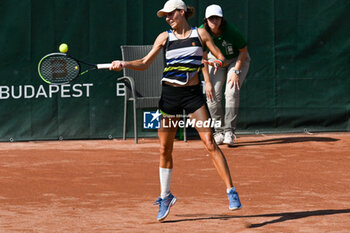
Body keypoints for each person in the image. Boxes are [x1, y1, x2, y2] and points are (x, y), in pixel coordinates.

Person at [110, 0, 242, 222]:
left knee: (209, 142)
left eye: (171, 14)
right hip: (169, 97)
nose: (168, 18)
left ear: (182, 12)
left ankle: (231, 191)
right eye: (165, 16)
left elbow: (220, 58)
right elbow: (144, 63)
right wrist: (124, 64)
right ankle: (165, 196)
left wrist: (215, 63)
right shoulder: (164, 38)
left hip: (192, 98)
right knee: (164, 148)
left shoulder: (200, 34)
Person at [200, 4, 251, 146]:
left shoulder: (232, 31)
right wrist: (207, 82)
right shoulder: (202, 32)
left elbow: (243, 50)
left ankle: (229, 131)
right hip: (215, 61)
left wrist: (236, 71)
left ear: (222, 19)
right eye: (211, 18)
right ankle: (219, 131)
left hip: (237, 60)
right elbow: (202, 57)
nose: (214, 21)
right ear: (206, 20)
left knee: (231, 91)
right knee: (212, 95)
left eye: (217, 18)